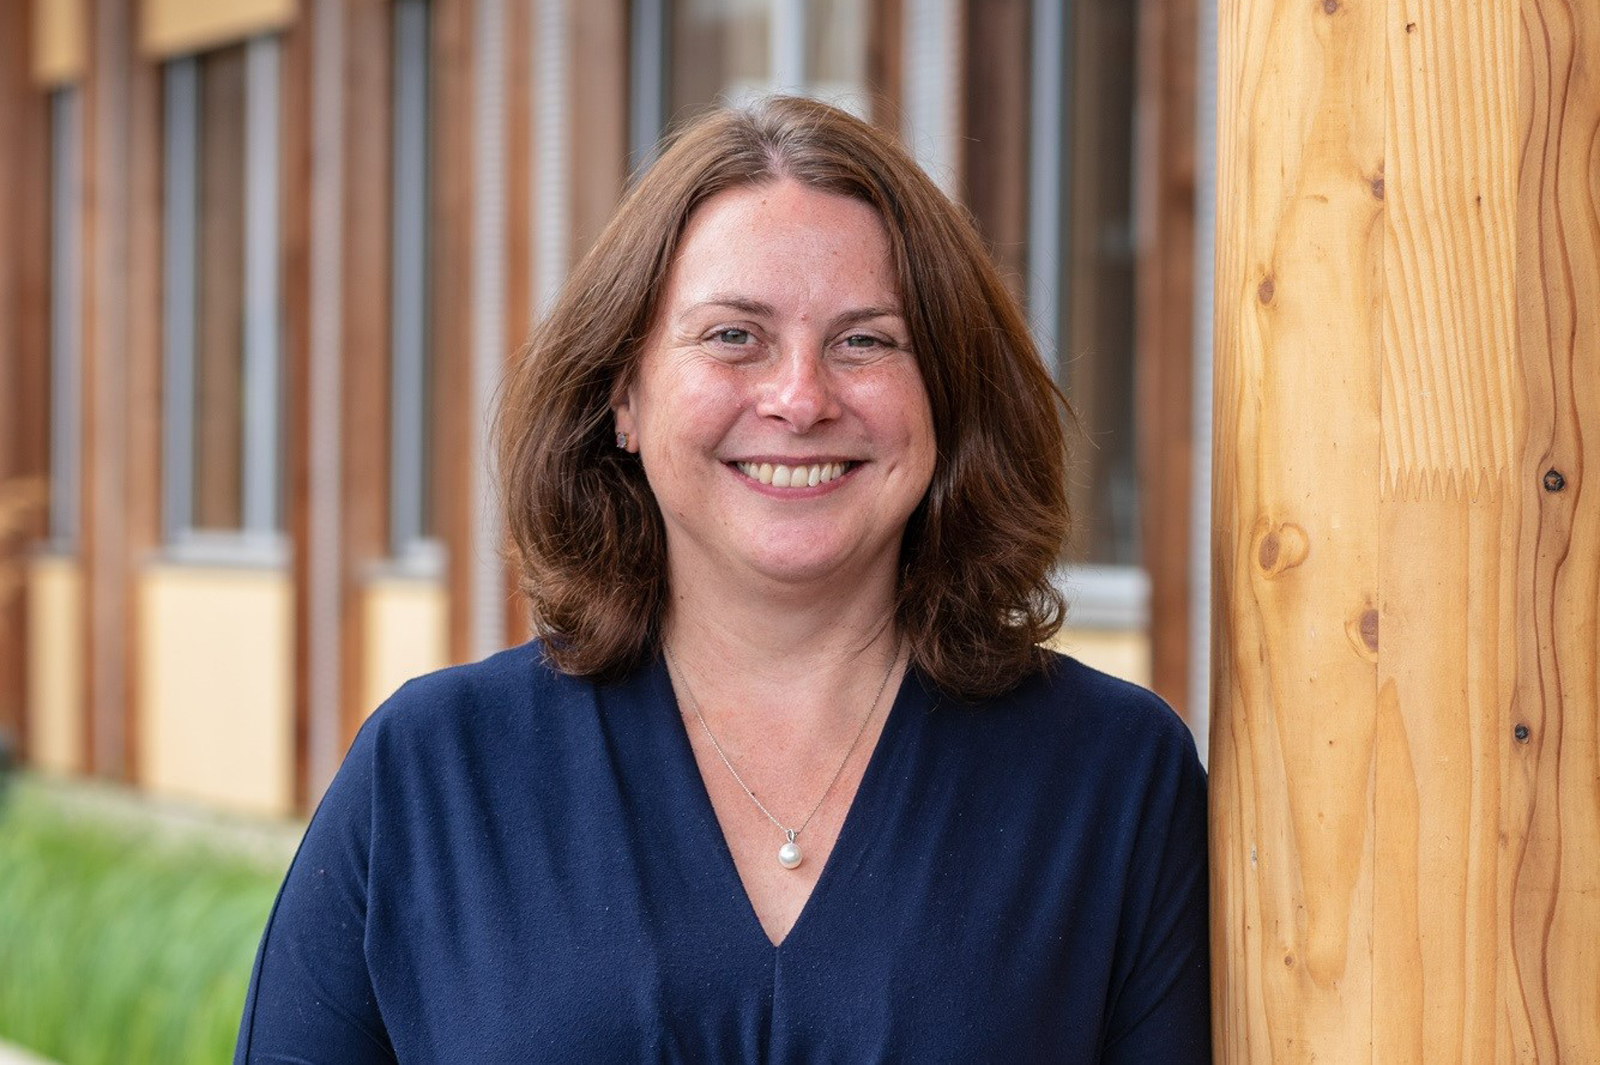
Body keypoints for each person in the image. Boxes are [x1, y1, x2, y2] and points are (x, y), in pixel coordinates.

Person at [233, 96, 1210, 1063]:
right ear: (623, 391)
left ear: (946, 400)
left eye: (865, 341)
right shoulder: (433, 774)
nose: (800, 398)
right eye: (733, 336)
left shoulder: (1113, 782)